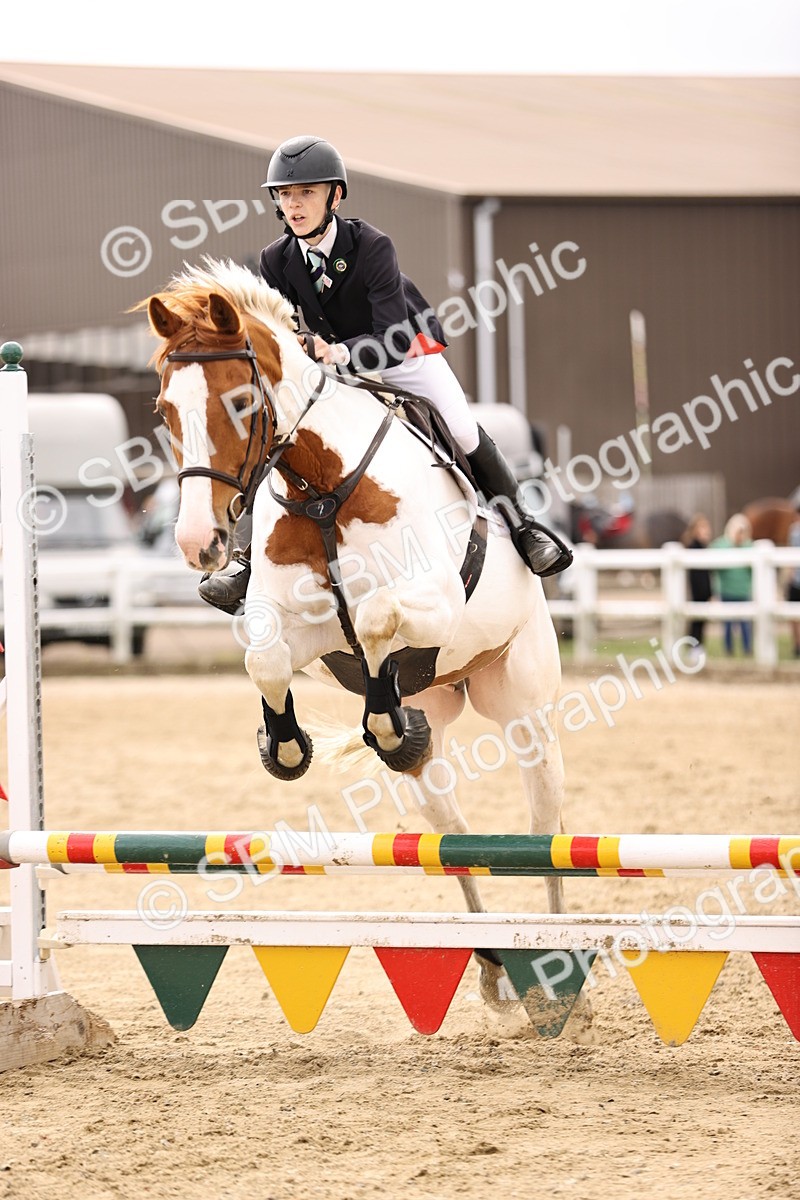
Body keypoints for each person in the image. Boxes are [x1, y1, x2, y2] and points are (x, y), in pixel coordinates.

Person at [199, 135, 572, 614]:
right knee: (276, 434)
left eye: (306, 193)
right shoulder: (276, 260)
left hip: (402, 356)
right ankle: (247, 562)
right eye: (286, 195)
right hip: (331, 367)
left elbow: (392, 337)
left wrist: (334, 352)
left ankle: (524, 527)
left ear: (335, 196)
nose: (294, 205)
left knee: (458, 425)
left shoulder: (372, 246)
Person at [711, 513, 753, 656]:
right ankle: (728, 649)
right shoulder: (721, 545)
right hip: (726, 591)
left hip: (743, 591)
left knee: (745, 624)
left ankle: (747, 649)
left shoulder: (749, 546)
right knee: (727, 624)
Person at [681, 512, 712, 657]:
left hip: (703, 591)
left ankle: (697, 647)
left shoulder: (704, 548)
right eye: (702, 528)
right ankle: (694, 647)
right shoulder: (693, 547)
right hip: (696, 591)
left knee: (700, 621)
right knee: (696, 621)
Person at [786, 513, 800, 658]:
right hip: (796, 579)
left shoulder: (793, 530)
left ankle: (797, 645)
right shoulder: (794, 531)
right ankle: (797, 645)